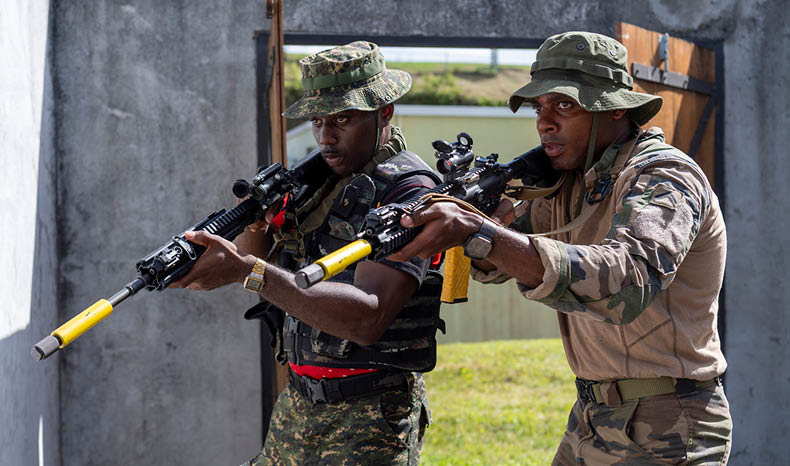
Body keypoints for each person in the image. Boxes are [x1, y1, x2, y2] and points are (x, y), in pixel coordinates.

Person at [388, 31, 732, 464]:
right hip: (592, 413)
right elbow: (503, 264)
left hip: (669, 420)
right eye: (539, 107)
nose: (544, 122)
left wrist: (484, 231)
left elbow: (626, 284)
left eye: (564, 105)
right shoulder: (571, 183)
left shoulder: (664, 177)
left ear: (616, 108)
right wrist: (479, 223)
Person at [171, 41, 443, 465]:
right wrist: (256, 220)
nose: (326, 136)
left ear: (384, 111)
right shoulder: (321, 180)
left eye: (343, 119)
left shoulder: (409, 191)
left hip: (371, 411)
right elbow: (259, 257)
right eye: (318, 121)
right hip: (299, 398)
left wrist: (246, 270)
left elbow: (368, 317)